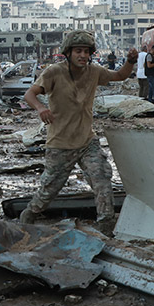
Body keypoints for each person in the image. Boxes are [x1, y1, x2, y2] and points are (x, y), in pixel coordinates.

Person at [19, 30, 139, 234]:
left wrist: (130, 61)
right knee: (48, 191)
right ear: (68, 52)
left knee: (102, 179)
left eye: (86, 51)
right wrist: (40, 108)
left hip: (87, 142)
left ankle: (106, 227)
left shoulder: (94, 71)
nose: (83, 55)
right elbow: (30, 94)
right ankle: (29, 214)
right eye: (78, 51)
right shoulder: (54, 72)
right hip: (60, 144)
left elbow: (120, 75)